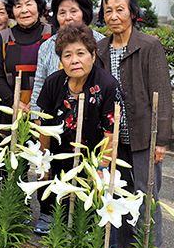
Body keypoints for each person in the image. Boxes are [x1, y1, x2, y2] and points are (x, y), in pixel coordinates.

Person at [95, 0, 174, 248]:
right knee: (118, 193)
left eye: (120, 10)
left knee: (146, 194)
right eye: (108, 11)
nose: (114, 16)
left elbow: (162, 94)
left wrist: (161, 139)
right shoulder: (100, 48)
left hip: (143, 136)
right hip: (112, 138)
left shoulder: (148, 45)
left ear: (132, 12)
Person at [35, 22, 127, 235]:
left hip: (93, 159)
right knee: (58, 205)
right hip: (60, 155)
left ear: (93, 56)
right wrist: (44, 158)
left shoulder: (107, 85)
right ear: (61, 60)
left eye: (80, 53)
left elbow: (110, 133)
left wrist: (101, 170)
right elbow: (45, 125)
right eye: (67, 55)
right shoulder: (53, 83)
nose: (74, 60)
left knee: (88, 214)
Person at [30, 0, 106, 113]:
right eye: (62, 13)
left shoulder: (101, 43)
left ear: (84, 13)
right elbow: (39, 84)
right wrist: (36, 115)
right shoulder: (47, 46)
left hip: (92, 115)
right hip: (55, 115)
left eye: (73, 11)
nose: (68, 17)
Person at [0, 0, 53, 115]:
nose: (24, 10)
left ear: (38, 6)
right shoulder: (4, 37)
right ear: (12, 11)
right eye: (18, 6)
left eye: (29, 4)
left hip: (46, 110)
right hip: (11, 112)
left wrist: (37, 102)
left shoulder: (52, 34)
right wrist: (14, 102)